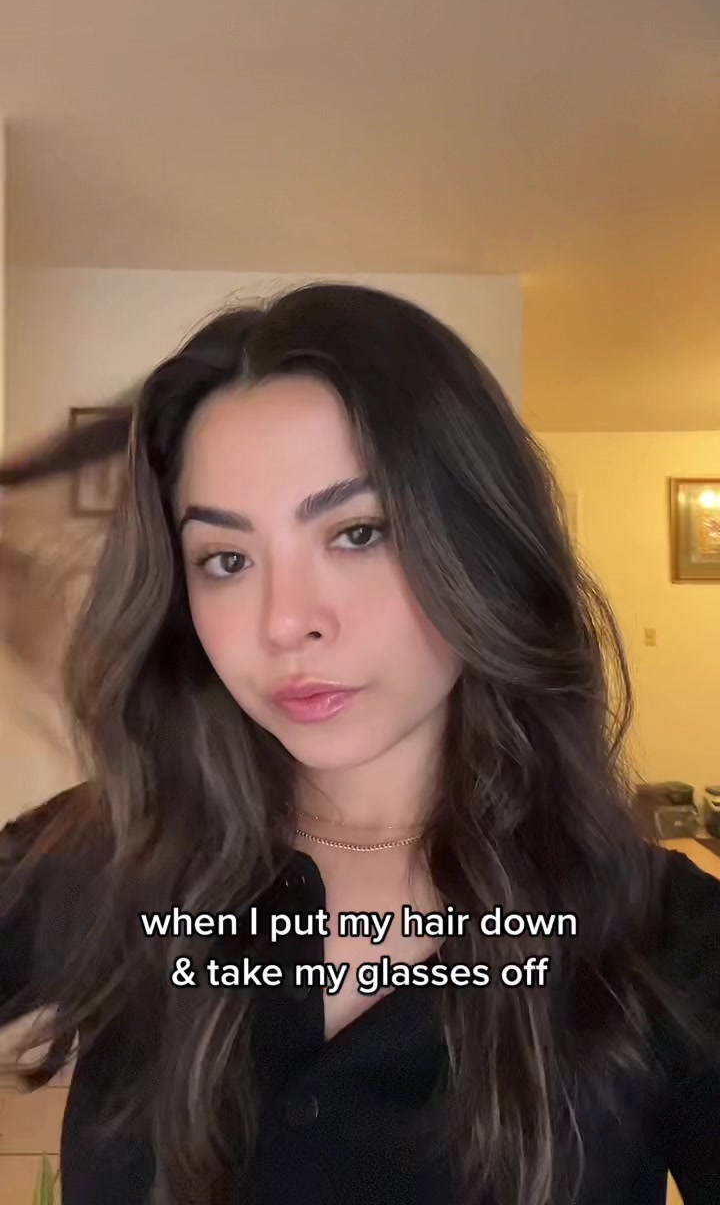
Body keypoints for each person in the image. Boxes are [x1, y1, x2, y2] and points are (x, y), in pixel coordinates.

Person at [0, 281, 717, 1205]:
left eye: (358, 532)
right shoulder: (107, 855)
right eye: (227, 560)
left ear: (483, 547)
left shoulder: (665, 940)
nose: (285, 621)